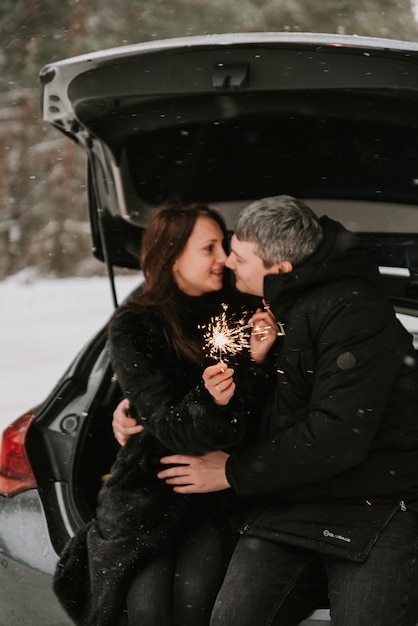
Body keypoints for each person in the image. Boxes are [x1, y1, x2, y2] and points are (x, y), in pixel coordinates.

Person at [152, 195, 418, 626]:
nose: (228, 263)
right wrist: (135, 410)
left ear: (281, 268)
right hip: (289, 502)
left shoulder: (352, 310)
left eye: (239, 256)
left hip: (375, 506)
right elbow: (259, 405)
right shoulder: (275, 307)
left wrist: (232, 472)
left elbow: (337, 436)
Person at [53, 202, 265, 626]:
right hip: (149, 492)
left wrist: (256, 363)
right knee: (145, 606)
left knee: (195, 598)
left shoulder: (246, 313)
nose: (223, 257)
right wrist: (205, 403)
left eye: (223, 245)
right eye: (209, 248)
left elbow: (264, 411)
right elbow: (166, 418)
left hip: (223, 491)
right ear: (172, 254)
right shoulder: (135, 325)